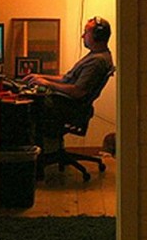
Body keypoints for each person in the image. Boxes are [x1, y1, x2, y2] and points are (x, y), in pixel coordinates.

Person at [21, 16, 114, 145]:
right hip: (67, 105)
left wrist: (47, 84)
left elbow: (78, 91)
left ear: (97, 36)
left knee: (22, 109)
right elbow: (66, 79)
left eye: (86, 32)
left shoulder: (97, 61)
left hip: (67, 108)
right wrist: (40, 77)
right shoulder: (96, 55)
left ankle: (33, 153)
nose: (82, 36)